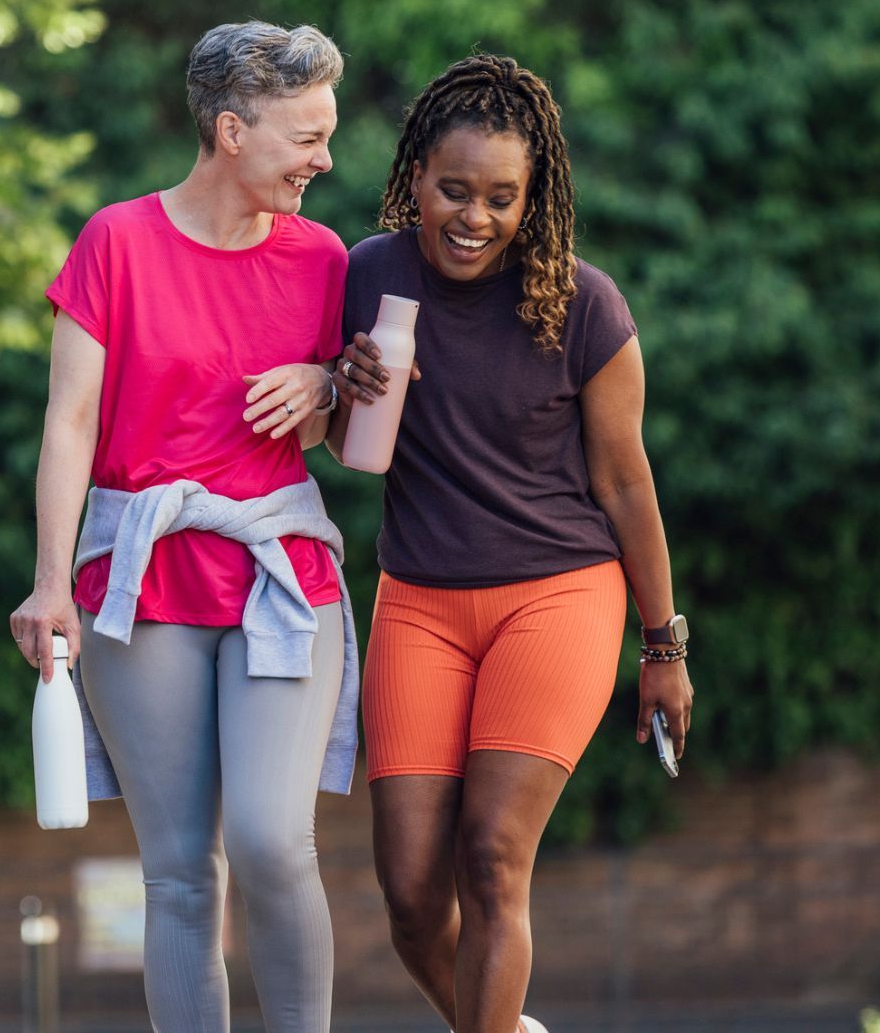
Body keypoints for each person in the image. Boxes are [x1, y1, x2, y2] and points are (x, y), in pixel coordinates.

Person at [327, 54, 696, 1033]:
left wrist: (664, 649)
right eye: (453, 190)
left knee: (491, 857)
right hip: (419, 598)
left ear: (532, 200)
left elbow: (625, 482)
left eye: (501, 197)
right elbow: (342, 447)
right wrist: (344, 392)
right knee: (410, 895)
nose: (473, 217)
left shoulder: (586, 306)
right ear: (415, 181)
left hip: (560, 596)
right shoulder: (367, 274)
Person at [8, 21, 357, 1032]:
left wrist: (325, 383)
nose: (325, 159)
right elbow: (69, 422)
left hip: (278, 571)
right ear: (233, 130)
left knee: (270, 840)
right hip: (141, 576)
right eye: (308, 135)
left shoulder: (325, 258)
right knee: (178, 876)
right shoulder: (116, 241)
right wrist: (47, 581)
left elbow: (350, 437)